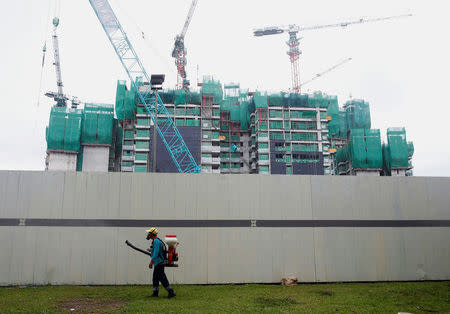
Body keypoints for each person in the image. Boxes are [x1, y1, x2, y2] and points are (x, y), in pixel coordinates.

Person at [146, 227, 176, 298]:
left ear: (152, 234)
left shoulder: (156, 241)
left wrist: (151, 262)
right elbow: (157, 250)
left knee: (162, 278)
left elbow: (156, 254)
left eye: (149, 233)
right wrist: (151, 250)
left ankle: (171, 292)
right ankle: (155, 293)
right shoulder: (156, 241)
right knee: (155, 278)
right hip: (158, 263)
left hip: (159, 263)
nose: (147, 234)